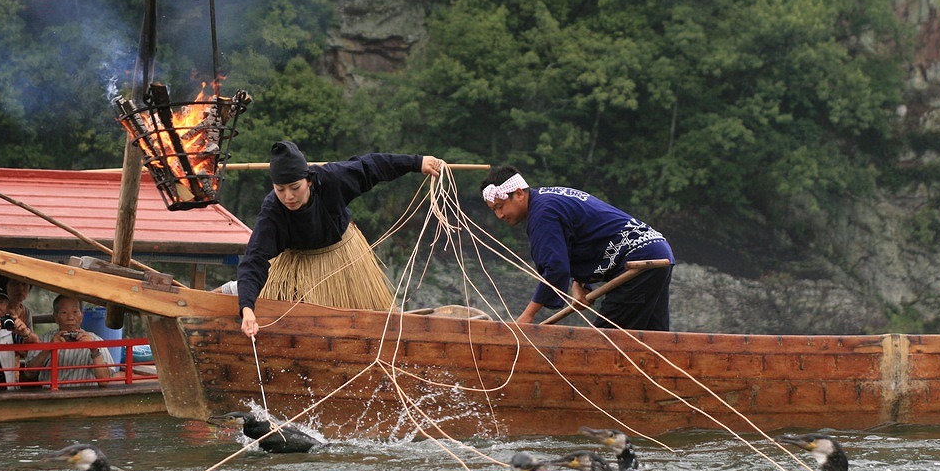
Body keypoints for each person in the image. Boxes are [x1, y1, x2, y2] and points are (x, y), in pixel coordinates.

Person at [237, 141, 443, 337]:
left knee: (367, 330)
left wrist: (417, 162)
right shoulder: (272, 210)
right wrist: (247, 309)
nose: (288, 196)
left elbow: (372, 165)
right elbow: (255, 258)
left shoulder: (332, 179)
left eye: (295, 187)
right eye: (280, 189)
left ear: (308, 180)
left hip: (342, 258)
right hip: (295, 265)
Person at [480, 165, 674, 331]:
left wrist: (527, 316)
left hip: (638, 260)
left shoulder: (543, 213)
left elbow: (556, 268)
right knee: (654, 338)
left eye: (500, 206)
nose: (500, 215)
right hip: (656, 250)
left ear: (519, 194)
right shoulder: (549, 199)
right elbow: (584, 237)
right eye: (494, 210)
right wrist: (580, 284)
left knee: (605, 344)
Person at [26, 295, 117, 387]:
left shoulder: (95, 340)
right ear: (56, 317)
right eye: (64, 312)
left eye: (75, 312)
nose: (70, 317)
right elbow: (29, 373)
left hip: (85, 397)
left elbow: (104, 381)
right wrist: (49, 348)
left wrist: (94, 350)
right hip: (52, 397)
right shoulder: (44, 340)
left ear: (82, 316)